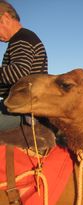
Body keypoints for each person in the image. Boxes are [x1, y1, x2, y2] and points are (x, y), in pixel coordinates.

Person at [0, 0, 48, 131]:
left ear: (5, 17)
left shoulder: (21, 38)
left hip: (23, 108)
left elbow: (19, 73)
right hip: (20, 105)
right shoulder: (24, 38)